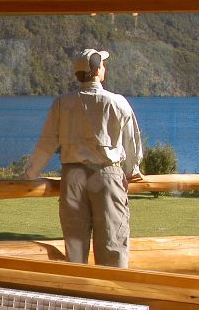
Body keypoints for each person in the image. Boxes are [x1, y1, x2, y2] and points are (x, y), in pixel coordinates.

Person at [25, 48, 143, 268]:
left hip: (73, 177)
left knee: (75, 247)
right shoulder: (116, 102)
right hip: (107, 175)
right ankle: (111, 295)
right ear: (97, 71)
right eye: (103, 65)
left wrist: (31, 173)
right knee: (113, 243)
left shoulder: (62, 103)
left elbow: (47, 142)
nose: (104, 68)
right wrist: (132, 170)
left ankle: (77, 295)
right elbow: (132, 142)